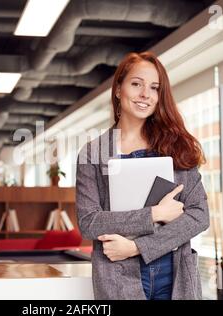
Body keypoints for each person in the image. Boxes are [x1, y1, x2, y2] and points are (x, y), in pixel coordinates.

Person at [75, 51, 209, 300]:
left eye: (154, 88)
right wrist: (155, 214)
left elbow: (199, 215)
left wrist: (137, 247)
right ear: (118, 89)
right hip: (118, 277)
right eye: (136, 84)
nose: (145, 94)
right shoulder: (94, 152)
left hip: (174, 274)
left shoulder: (177, 146)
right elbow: (89, 222)